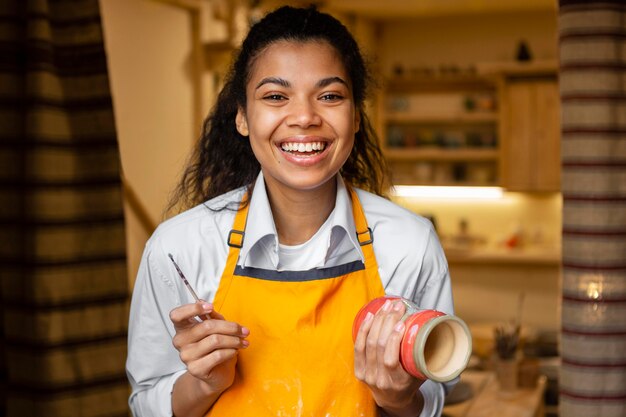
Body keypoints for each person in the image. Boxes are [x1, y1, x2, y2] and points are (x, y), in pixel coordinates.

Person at [126, 5, 457, 417]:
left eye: (330, 96)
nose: (304, 117)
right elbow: (146, 405)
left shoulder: (409, 244)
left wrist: (399, 398)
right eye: (276, 96)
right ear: (243, 117)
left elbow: (434, 402)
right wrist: (203, 382)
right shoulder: (178, 248)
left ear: (356, 116)